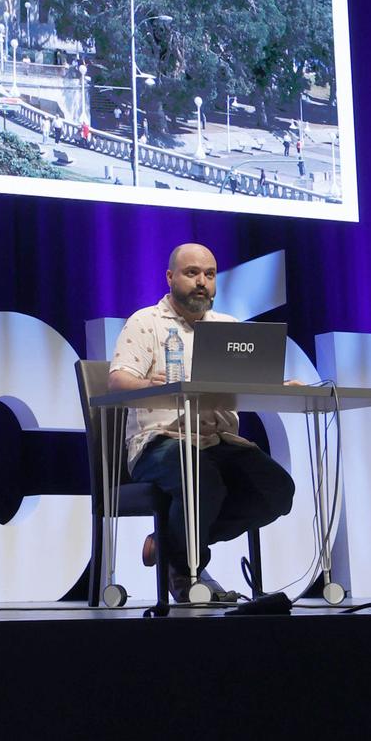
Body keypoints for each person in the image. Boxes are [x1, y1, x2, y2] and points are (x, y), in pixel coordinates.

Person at [107, 242, 296, 603]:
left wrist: (281, 386)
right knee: (201, 477)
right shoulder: (146, 322)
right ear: (170, 277)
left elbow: (248, 384)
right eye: (192, 273)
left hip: (219, 439)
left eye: (209, 274)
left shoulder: (229, 327)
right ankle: (185, 567)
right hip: (160, 441)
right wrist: (152, 385)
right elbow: (118, 381)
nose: (202, 282)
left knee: (276, 491)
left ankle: (170, 544)